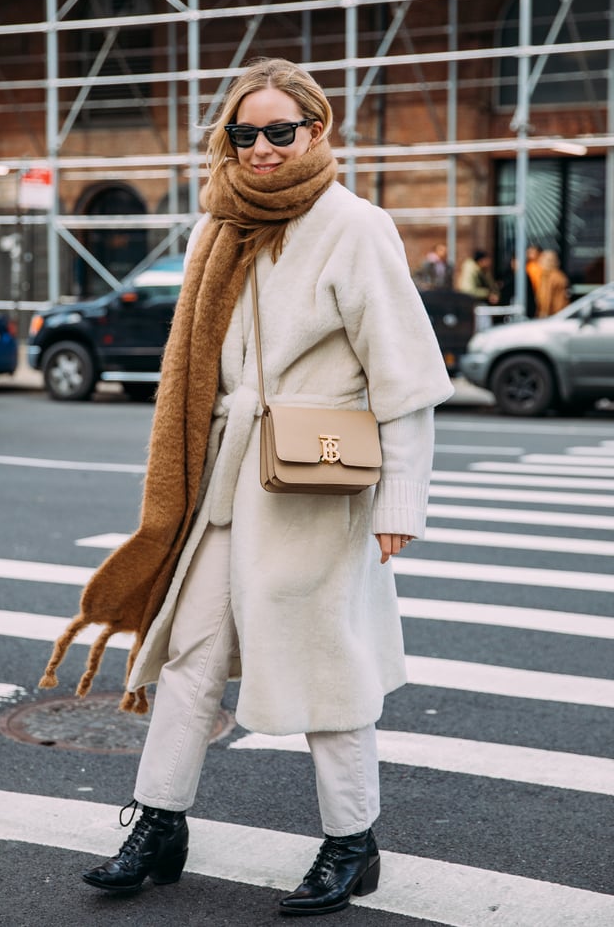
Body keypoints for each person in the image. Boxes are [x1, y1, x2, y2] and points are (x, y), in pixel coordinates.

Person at [40, 58, 454, 917]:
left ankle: (352, 842)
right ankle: (160, 824)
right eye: (244, 132)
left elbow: (405, 380)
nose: (261, 149)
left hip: (319, 482)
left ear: (317, 129)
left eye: (280, 131)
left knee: (324, 667)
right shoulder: (215, 228)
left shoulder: (355, 225)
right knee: (189, 654)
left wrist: (401, 503)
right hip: (224, 483)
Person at [535, 249, 570, 317]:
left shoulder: (554, 277)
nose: (540, 261)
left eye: (543, 259)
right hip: (556, 315)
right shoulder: (547, 276)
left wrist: (543, 314)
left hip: (554, 315)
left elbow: (547, 298)